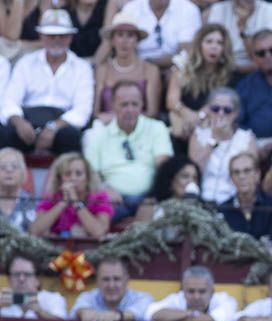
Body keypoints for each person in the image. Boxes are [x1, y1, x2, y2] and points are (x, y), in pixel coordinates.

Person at [0, 9, 93, 154]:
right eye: (51, 36)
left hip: (62, 124)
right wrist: (19, 123)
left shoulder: (82, 67)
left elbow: (82, 110)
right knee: (6, 134)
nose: (56, 40)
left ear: (70, 37)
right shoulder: (26, 63)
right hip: (28, 120)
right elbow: (10, 100)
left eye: (62, 36)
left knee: (70, 136)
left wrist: (54, 127)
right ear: (42, 36)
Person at [84, 79, 172, 222]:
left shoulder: (157, 128)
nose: (130, 109)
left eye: (135, 104)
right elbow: (91, 173)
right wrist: (104, 189)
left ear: (142, 104)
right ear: (112, 105)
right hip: (112, 199)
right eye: (124, 104)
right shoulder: (97, 135)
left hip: (147, 198)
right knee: (95, 219)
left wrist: (154, 194)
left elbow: (164, 167)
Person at [166, 23, 236, 140]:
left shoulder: (229, 75)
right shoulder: (183, 70)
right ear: (199, 45)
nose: (214, 47)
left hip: (212, 121)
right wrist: (187, 114)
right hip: (184, 120)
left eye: (219, 43)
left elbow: (222, 104)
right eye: (209, 42)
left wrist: (200, 116)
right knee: (174, 118)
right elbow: (171, 101)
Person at [93, 10, 162, 124]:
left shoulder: (150, 70)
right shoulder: (102, 70)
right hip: (107, 125)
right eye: (120, 35)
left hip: (141, 125)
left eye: (130, 36)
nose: (124, 41)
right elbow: (96, 111)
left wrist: (124, 120)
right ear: (112, 40)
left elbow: (152, 112)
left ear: (137, 41)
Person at [189, 87, 256, 204]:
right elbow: (194, 172)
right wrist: (214, 139)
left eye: (227, 110)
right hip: (202, 200)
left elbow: (251, 176)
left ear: (236, 113)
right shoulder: (199, 135)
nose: (221, 114)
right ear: (208, 110)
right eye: (215, 109)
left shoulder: (246, 138)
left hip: (233, 203)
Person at [206, 0, 272, 73]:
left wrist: (243, 28)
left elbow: (269, 54)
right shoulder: (218, 9)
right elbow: (212, 48)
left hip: (261, 69)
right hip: (223, 68)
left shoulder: (271, 11)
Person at [31, 153, 112, 239]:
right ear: (60, 178)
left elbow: (99, 232)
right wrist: (62, 203)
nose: (73, 178)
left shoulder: (100, 198)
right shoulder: (52, 197)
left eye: (78, 174)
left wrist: (76, 202)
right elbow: (34, 231)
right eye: (68, 174)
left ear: (87, 178)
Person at [124, 0, 202, 69]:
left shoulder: (189, 9)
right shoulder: (131, 8)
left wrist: (156, 64)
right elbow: (125, 46)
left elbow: (186, 51)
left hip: (176, 66)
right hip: (138, 66)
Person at [70, 256, 153, 321]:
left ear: (126, 280)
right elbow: (79, 309)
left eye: (116, 279)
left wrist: (117, 316)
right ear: (97, 281)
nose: (111, 285)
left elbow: (135, 313)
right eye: (106, 279)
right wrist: (85, 313)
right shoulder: (87, 297)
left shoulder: (142, 298)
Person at [218, 150, 272, 241]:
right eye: (236, 172)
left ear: (257, 174)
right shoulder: (224, 209)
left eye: (247, 171)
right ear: (231, 178)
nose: (241, 176)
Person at [145, 265, 239, 321]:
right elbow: (154, 314)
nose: (196, 297)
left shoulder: (226, 300)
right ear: (183, 292)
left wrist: (173, 318)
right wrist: (191, 313)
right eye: (191, 291)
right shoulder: (177, 298)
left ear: (212, 292)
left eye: (202, 291)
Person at [0, 251, 67, 319]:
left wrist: (40, 311)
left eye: (27, 274)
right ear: (9, 279)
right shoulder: (1, 298)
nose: (21, 279)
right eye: (16, 274)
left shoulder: (53, 299)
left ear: (37, 279)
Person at [134, 154, 200, 221]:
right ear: (170, 180)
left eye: (195, 178)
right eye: (185, 176)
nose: (191, 182)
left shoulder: (200, 210)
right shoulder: (150, 207)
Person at [0, 149, 37, 232]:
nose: (9, 170)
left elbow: (36, 234)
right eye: (2, 167)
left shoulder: (32, 201)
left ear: (22, 173)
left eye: (14, 166)